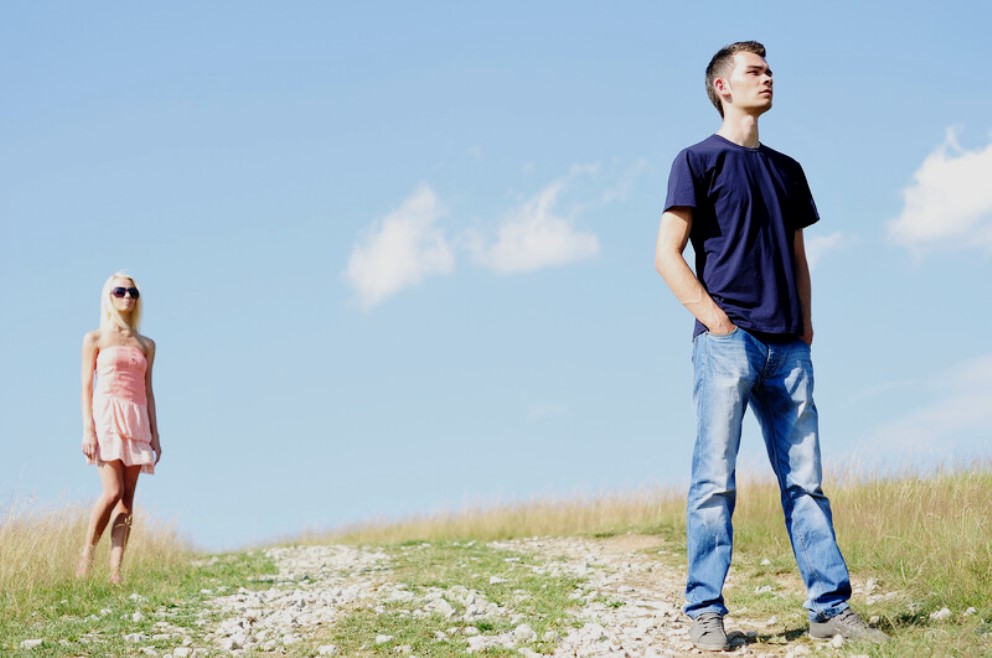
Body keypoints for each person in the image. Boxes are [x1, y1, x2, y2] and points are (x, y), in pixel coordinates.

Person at [654, 41, 887, 650]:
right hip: (728, 344)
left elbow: (799, 256)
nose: (769, 77)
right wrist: (716, 321)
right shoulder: (696, 159)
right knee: (714, 481)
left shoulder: (788, 169)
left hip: (790, 350)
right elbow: (665, 254)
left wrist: (805, 327)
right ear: (723, 87)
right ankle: (706, 612)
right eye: (755, 71)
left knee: (806, 482)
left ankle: (830, 610)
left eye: (770, 69)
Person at [78, 272, 162, 584]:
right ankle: (86, 556)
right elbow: (86, 387)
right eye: (120, 291)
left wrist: (155, 434)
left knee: (127, 499)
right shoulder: (95, 339)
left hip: (137, 418)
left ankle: (115, 572)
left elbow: (148, 390)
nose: (127, 296)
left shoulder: (146, 344)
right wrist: (88, 428)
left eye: (133, 292)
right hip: (106, 416)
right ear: (109, 296)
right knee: (112, 492)